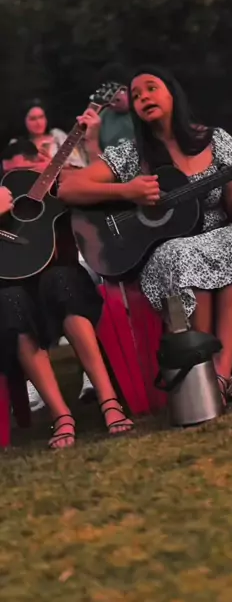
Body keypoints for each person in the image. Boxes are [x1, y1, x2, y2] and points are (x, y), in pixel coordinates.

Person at [59, 66, 232, 401]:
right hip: (164, 248)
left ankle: (220, 374)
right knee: (183, 253)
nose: (143, 97)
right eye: (136, 95)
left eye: (151, 88)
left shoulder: (215, 140)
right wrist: (127, 191)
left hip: (221, 235)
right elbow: (68, 187)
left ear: (172, 94)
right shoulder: (131, 152)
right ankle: (200, 368)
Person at [0, 183, 133, 449]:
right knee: (10, 302)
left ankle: (108, 400)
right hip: (8, 284)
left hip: (57, 274)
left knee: (63, 281)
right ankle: (60, 414)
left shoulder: (39, 181)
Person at [12, 99, 87, 168]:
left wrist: (51, 162)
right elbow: (12, 168)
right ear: (23, 122)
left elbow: (78, 165)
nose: (38, 123)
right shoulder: (16, 143)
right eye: (33, 119)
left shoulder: (57, 135)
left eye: (41, 117)